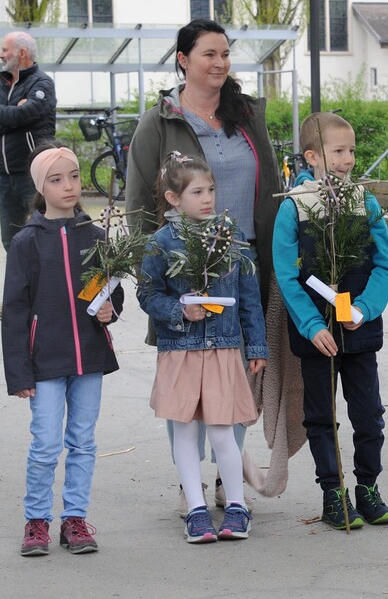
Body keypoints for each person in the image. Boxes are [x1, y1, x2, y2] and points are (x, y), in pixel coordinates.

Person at [126, 19, 280, 513]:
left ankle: (225, 480)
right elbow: (138, 204)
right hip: (185, 271)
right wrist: (157, 269)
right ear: (183, 60)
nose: (220, 63)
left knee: (236, 377)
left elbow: (271, 186)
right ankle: (189, 483)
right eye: (209, 54)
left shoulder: (246, 115)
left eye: (225, 54)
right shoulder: (159, 122)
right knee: (186, 382)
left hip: (244, 263)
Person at [272, 112, 388, 530]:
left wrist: (365, 308)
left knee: (369, 414)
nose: (348, 159)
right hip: (319, 338)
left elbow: (385, 266)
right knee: (321, 416)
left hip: (359, 333)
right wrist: (312, 325)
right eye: (338, 151)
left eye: (352, 150)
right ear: (312, 157)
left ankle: (368, 489)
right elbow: (287, 276)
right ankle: (332, 493)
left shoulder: (365, 202)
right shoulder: (293, 207)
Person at [137, 153, 267, 543]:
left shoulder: (231, 234)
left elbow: (248, 295)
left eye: (211, 189)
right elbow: (147, 294)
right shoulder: (161, 242)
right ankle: (196, 510)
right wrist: (180, 310)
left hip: (223, 349)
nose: (208, 198)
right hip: (180, 351)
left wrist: (256, 345)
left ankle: (237, 507)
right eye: (197, 192)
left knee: (224, 432)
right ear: (173, 198)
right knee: (185, 432)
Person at [3, 143, 123, 556]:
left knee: (83, 441)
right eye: (56, 180)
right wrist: (18, 373)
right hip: (45, 363)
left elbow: (110, 291)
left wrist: (110, 310)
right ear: (41, 187)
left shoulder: (96, 236)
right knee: (45, 444)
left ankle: (75, 519)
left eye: (73, 176)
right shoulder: (26, 242)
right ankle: (36, 520)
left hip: (89, 358)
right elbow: (14, 311)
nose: (69, 185)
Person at [0, 31, 57, 251]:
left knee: (44, 234)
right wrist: (15, 113)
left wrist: (18, 114)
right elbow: (18, 117)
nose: (1, 54)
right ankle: (18, 274)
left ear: (21, 53)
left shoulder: (42, 83)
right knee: (11, 241)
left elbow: (25, 114)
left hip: (32, 175)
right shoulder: (2, 83)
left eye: (5, 50)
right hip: (4, 178)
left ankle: (47, 273)